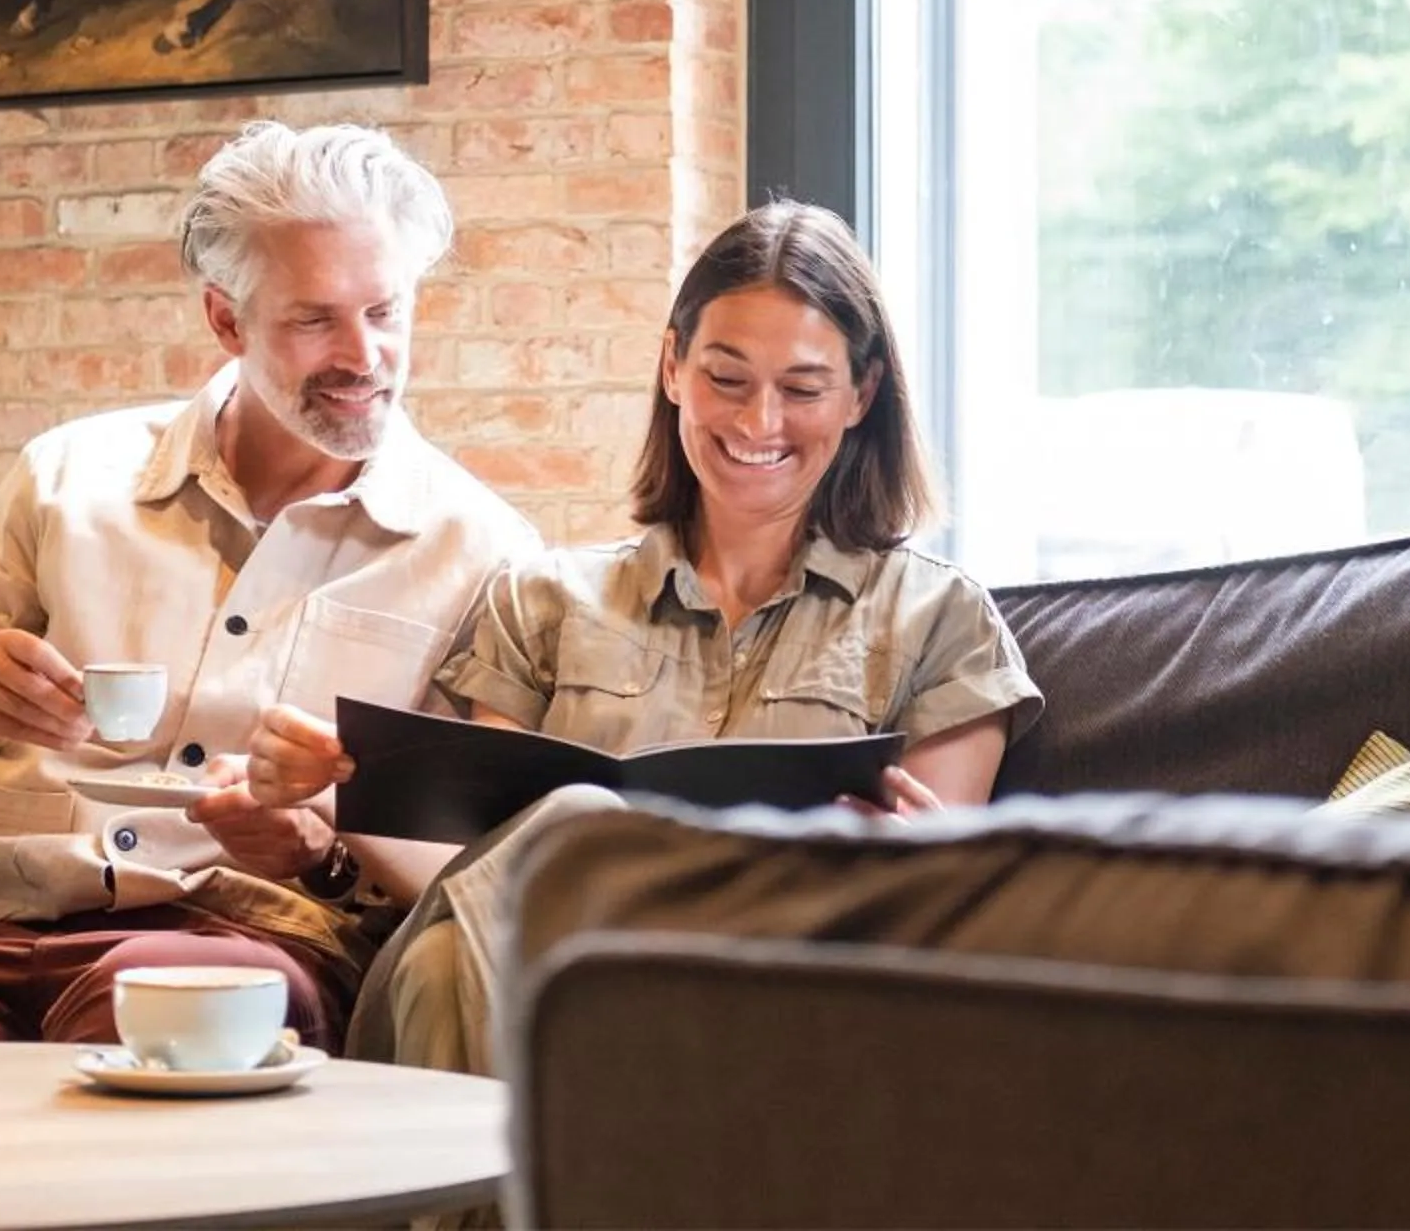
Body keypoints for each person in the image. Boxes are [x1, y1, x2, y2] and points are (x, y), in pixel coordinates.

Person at [0, 122, 537, 1051]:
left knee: (172, 1030)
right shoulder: (69, 474)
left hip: (238, 944)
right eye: (313, 319)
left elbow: (481, 869)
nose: (363, 355)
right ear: (225, 319)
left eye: (385, 312)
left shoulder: (483, 552)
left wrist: (323, 855)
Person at [247, 200, 1043, 1074]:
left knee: (513, 900)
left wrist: (915, 872)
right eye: (727, 379)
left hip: (782, 1001)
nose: (758, 423)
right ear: (673, 368)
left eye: (804, 388)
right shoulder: (541, 599)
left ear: (862, 394)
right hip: (547, 987)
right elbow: (466, 878)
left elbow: (938, 908)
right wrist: (348, 795)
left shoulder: (939, 622)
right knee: (455, 945)